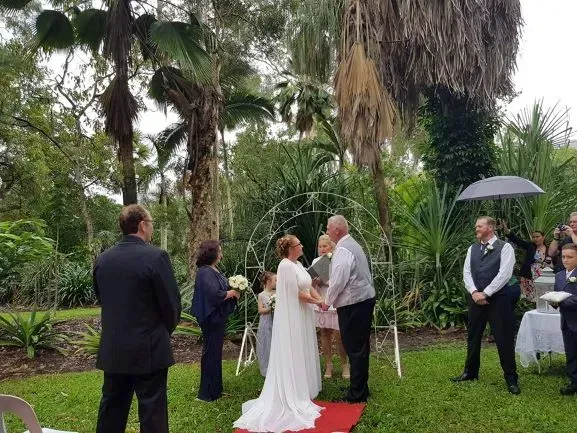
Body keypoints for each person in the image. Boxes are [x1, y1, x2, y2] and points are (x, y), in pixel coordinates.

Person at [93, 204, 181, 433]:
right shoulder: (156, 256)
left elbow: (103, 299)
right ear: (142, 225)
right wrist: (161, 331)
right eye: (151, 224)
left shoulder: (103, 259)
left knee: (111, 410)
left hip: (113, 349)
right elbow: (171, 305)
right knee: (152, 413)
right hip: (149, 348)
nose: (151, 229)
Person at [233, 235, 324, 433]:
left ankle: (305, 387)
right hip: (294, 315)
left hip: (304, 314)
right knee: (294, 350)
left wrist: (321, 299)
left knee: (305, 348)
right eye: (298, 244)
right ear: (290, 248)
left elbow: (308, 287)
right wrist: (317, 303)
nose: (302, 246)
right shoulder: (285, 266)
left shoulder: (298, 264)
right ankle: (293, 393)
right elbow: (296, 294)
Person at [452, 216, 520, 394]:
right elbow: (466, 272)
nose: (476, 229)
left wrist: (487, 292)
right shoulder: (472, 248)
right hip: (475, 300)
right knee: (473, 335)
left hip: (498, 300)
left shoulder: (505, 248)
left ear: (490, 227)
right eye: (476, 226)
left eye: (479, 226)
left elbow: (504, 274)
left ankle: (511, 378)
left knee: (503, 337)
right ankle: (470, 372)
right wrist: (474, 292)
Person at [321, 215, 376, 403]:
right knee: (360, 347)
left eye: (328, 228)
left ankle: (357, 394)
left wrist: (326, 302)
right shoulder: (353, 244)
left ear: (337, 230)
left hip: (354, 303)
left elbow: (338, 280)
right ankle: (360, 387)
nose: (327, 231)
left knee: (354, 347)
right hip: (363, 301)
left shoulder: (343, 250)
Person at [191, 240, 240, 402]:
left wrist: (235, 291)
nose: (221, 254)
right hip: (211, 318)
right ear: (212, 253)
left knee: (215, 353)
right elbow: (214, 295)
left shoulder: (212, 270)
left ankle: (215, 389)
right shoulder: (205, 272)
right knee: (211, 352)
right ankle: (207, 393)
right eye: (219, 251)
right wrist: (231, 293)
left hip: (217, 318)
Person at [313, 234, 349, 379]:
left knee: (339, 335)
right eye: (320, 246)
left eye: (325, 246)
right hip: (321, 298)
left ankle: (345, 365)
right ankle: (328, 365)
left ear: (331, 246)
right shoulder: (316, 261)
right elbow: (312, 283)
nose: (322, 249)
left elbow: (341, 280)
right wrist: (315, 281)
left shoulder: (337, 260)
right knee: (324, 333)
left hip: (335, 301)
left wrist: (326, 281)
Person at [501, 220, 550, 301]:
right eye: (533, 237)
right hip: (528, 276)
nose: (535, 239)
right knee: (529, 298)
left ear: (543, 237)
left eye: (537, 236)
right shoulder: (530, 246)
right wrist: (507, 231)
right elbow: (517, 240)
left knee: (542, 296)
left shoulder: (549, 249)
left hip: (543, 277)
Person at [553, 243, 577, 395]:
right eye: (563, 257)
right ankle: (574, 381)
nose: (565, 260)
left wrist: (562, 301)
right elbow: (557, 295)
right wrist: (554, 301)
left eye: (570, 257)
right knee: (571, 352)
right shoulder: (559, 275)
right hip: (566, 321)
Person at [256, 271, 276, 377]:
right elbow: (260, 310)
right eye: (275, 280)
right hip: (266, 322)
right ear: (268, 282)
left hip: (276, 321)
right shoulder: (262, 295)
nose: (277, 282)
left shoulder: (277, 293)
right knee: (267, 343)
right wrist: (271, 308)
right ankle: (267, 367)